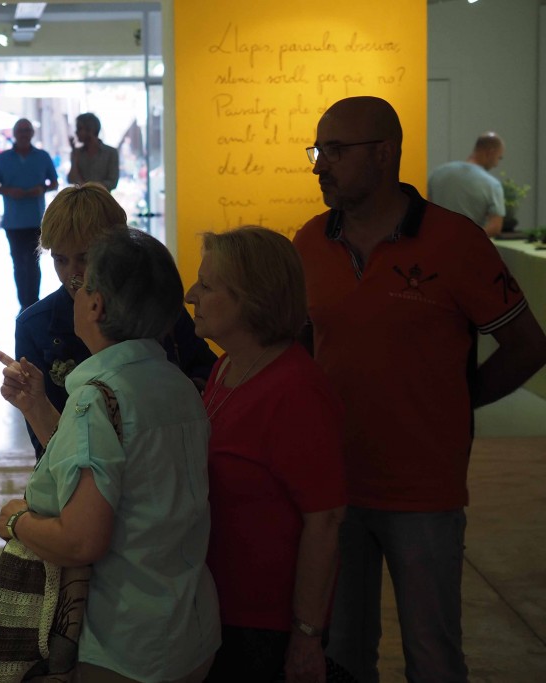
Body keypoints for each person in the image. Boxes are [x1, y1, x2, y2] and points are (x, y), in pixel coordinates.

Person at [294, 96, 546, 683]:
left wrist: (459, 401)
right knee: (345, 653)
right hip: (336, 489)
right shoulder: (308, 242)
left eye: (335, 150)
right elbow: (298, 349)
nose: (319, 165)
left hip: (424, 493)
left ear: (384, 154)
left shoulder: (454, 243)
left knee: (432, 657)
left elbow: (529, 346)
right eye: (317, 150)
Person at [0, 228, 221, 682]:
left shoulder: (98, 399)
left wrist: (15, 519)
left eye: (83, 282)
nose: (73, 290)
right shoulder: (177, 384)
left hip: (125, 642)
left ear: (95, 305)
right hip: (189, 625)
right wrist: (38, 406)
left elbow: (81, 541)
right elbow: (118, 466)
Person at [184, 227, 347, 683]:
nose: (191, 294)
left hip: (263, 625)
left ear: (251, 299)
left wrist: (306, 636)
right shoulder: (226, 366)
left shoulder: (296, 390)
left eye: (208, 285)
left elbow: (326, 519)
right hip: (218, 606)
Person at [12, 183, 217, 460]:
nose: (73, 274)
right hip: (74, 477)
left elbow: (207, 377)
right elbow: (45, 450)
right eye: (60, 260)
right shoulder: (34, 326)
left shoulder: (155, 305)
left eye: (84, 258)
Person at [0, 118, 59, 310]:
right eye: (21, 130)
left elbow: (54, 183)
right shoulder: (2, 159)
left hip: (36, 220)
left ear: (32, 133)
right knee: (19, 263)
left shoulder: (43, 157)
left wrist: (41, 189)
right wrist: (8, 191)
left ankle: (33, 302)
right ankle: (24, 305)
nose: (24, 134)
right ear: (15, 133)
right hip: (13, 222)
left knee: (34, 264)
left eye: (27, 130)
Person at [428, 132, 507, 237]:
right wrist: (469, 239)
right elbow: (495, 227)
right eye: (499, 158)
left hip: (436, 244)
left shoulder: (437, 173)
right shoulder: (492, 185)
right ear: (490, 153)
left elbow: (427, 212)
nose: (496, 164)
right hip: (468, 250)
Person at [68, 113, 120, 191]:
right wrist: (74, 158)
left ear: (90, 130)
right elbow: (71, 179)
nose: (76, 132)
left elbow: (112, 182)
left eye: (79, 128)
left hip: (103, 201)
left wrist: (87, 188)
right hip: (83, 201)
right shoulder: (77, 153)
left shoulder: (111, 153)